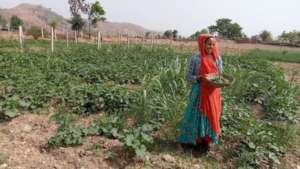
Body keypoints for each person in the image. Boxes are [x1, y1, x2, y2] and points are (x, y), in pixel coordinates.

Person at [177, 34, 223, 152]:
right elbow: (188, 76)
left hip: (213, 92)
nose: (211, 46)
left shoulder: (217, 59)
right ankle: (193, 139)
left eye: (213, 44)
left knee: (211, 115)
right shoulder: (196, 58)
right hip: (199, 92)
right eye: (209, 44)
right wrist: (199, 78)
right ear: (203, 44)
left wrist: (217, 81)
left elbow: (220, 76)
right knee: (195, 114)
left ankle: (206, 140)